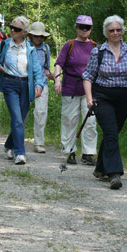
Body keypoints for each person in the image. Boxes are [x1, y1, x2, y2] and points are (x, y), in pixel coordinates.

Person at [83, 15, 127, 190]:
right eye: (111, 30)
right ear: (106, 32)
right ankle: (114, 174)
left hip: (123, 98)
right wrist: (89, 98)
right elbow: (88, 77)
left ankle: (100, 168)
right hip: (102, 96)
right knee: (111, 132)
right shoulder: (98, 52)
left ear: (123, 31)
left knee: (112, 133)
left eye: (118, 30)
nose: (115, 33)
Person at [0, 16, 43, 165]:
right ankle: (20, 153)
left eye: (16, 29)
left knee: (21, 120)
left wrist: (39, 85)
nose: (12, 30)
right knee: (17, 119)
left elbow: (37, 70)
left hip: (25, 85)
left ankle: (8, 145)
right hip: (9, 84)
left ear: (24, 32)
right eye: (11, 27)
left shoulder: (29, 49)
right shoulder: (5, 44)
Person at [53, 15, 98, 166]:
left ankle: (88, 153)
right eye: (81, 27)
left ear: (91, 29)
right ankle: (69, 150)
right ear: (76, 28)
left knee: (90, 121)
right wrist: (57, 79)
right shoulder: (69, 45)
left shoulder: (95, 47)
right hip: (70, 87)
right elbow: (59, 63)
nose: (84, 30)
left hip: (89, 90)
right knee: (69, 119)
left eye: (87, 27)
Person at [28, 21, 54, 153]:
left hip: (42, 84)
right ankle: (15, 139)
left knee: (41, 112)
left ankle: (39, 143)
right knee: (22, 113)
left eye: (40, 36)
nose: (38, 38)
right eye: (35, 35)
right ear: (31, 36)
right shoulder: (25, 47)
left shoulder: (46, 49)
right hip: (26, 83)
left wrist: (52, 76)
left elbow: (46, 68)